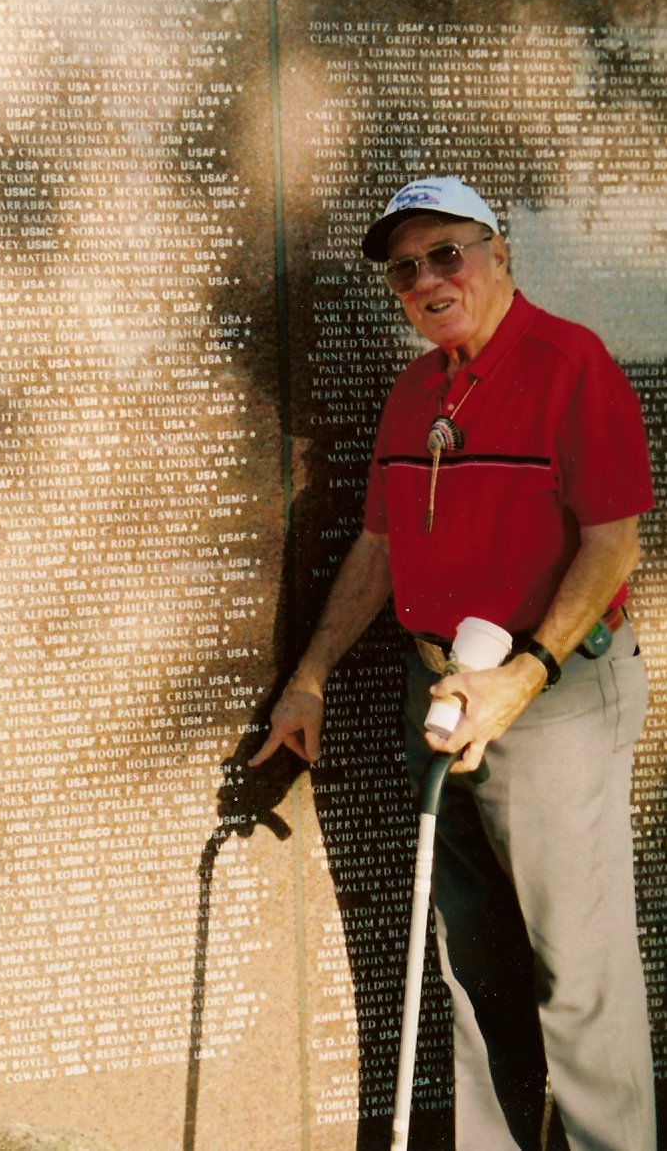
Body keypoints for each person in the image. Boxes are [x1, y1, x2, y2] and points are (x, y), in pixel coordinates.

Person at [249, 176, 657, 1151]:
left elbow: (614, 544)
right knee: (470, 957)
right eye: (406, 269)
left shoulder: (571, 362)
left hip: (547, 697)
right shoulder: (414, 390)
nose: (429, 279)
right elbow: (380, 549)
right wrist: (309, 675)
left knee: (579, 976)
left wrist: (519, 681)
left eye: (447, 254)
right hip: (436, 690)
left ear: (497, 251)